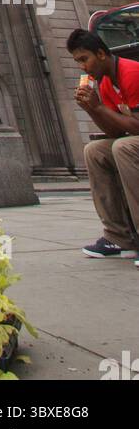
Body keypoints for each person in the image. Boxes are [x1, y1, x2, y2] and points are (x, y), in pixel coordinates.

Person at [67, 29, 139, 260]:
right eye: (78, 61)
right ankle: (118, 236)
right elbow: (115, 131)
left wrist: (98, 108)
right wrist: (92, 109)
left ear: (100, 54)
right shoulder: (107, 83)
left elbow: (136, 128)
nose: (82, 67)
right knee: (95, 151)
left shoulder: (132, 73)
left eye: (84, 59)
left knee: (123, 148)